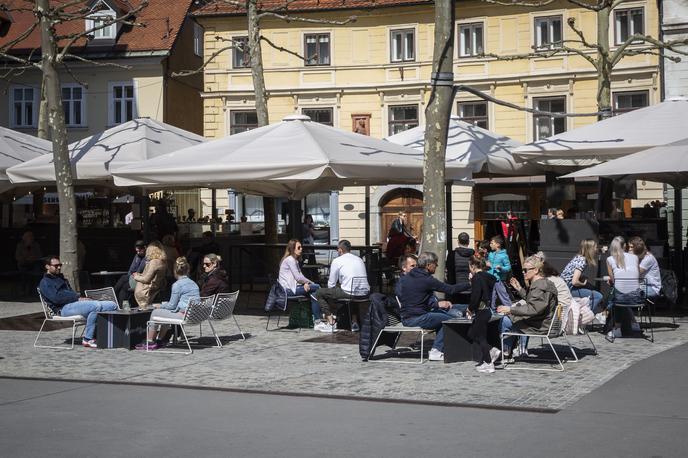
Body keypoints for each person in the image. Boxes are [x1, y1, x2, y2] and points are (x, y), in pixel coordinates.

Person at [397, 251, 470, 361]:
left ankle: (438, 348)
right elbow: (451, 289)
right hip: (417, 318)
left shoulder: (409, 276)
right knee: (451, 320)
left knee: (444, 315)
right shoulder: (427, 280)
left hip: (407, 317)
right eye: (435, 263)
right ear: (428, 265)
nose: (437, 266)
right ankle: (437, 351)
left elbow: (417, 298)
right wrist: (470, 283)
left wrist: (436, 304)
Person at [38, 256, 118, 348]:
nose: (59, 267)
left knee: (112, 305)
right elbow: (56, 298)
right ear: (47, 267)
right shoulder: (45, 282)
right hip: (62, 309)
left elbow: (71, 294)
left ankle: (95, 335)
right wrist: (77, 297)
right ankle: (88, 339)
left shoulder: (61, 279)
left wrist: (81, 298)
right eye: (56, 266)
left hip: (74, 305)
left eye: (60, 265)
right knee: (95, 306)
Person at [497, 255, 558, 361]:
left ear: (535, 270)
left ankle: (505, 353)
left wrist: (510, 309)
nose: (523, 272)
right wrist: (519, 289)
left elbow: (533, 309)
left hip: (540, 325)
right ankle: (509, 351)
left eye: (525, 270)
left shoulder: (540, 286)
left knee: (505, 321)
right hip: (541, 320)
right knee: (510, 318)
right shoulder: (543, 283)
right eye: (523, 270)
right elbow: (534, 301)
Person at [136, 257, 200, 350]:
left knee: (155, 313)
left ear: (174, 270)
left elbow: (172, 306)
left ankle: (150, 341)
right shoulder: (193, 283)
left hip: (184, 315)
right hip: (194, 315)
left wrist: (158, 306)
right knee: (165, 312)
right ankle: (160, 340)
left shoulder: (177, 285)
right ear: (188, 270)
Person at [314, 240, 370, 332]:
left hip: (350, 293)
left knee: (320, 293)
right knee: (352, 292)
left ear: (340, 250)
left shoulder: (337, 261)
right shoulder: (359, 259)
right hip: (365, 293)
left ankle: (330, 322)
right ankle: (354, 322)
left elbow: (331, 284)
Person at [464, 256, 500, 373]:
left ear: (473, 266)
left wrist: (470, 308)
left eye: (469, 266)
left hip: (481, 310)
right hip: (487, 310)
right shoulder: (489, 276)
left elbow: (475, 296)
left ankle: (488, 363)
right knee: (472, 333)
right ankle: (491, 351)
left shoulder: (476, 278)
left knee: (481, 337)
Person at [278, 239, 322, 326]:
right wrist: (311, 283)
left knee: (314, 292)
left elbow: (301, 277)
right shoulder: (290, 260)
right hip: (288, 291)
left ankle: (318, 320)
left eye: (301, 247)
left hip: (294, 288)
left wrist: (307, 283)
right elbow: (298, 278)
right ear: (292, 249)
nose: (301, 249)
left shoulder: (295, 261)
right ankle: (319, 319)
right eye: (299, 247)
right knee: (317, 288)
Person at [606, 236, 642, 337]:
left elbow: (613, 280)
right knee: (621, 296)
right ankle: (633, 323)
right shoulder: (635, 257)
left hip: (621, 298)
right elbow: (638, 275)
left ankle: (617, 327)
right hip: (637, 297)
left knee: (615, 297)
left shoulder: (609, 259)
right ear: (625, 246)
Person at [560, 239, 603, 313]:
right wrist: (583, 283)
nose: (596, 249)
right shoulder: (582, 261)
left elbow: (570, 275)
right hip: (568, 289)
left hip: (564, 286)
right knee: (598, 296)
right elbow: (574, 282)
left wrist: (581, 278)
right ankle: (584, 316)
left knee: (592, 288)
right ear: (590, 249)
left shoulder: (578, 257)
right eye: (595, 247)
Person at [133, 241, 167, 308]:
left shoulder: (154, 262)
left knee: (125, 287)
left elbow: (146, 279)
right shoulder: (163, 261)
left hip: (149, 289)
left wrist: (136, 276)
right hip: (158, 286)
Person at [113, 240, 147, 304]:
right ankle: (121, 306)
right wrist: (130, 277)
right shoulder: (137, 256)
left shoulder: (147, 257)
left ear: (145, 248)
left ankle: (112, 294)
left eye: (139, 251)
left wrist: (133, 275)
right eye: (137, 251)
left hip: (140, 280)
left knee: (123, 278)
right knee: (124, 286)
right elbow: (131, 269)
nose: (138, 252)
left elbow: (140, 270)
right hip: (133, 277)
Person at [445, 232, 474, 303]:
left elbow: (449, 271)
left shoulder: (452, 254)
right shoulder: (474, 254)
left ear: (458, 241)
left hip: (456, 289)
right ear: (468, 242)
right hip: (471, 289)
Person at [486, 235, 512, 307]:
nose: (490, 245)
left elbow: (508, 267)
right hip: (490, 278)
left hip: (498, 279)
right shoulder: (491, 254)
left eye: (492, 243)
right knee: (491, 295)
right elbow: (489, 265)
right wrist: (486, 265)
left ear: (498, 244)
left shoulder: (504, 256)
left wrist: (501, 268)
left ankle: (510, 309)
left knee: (503, 295)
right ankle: (492, 310)